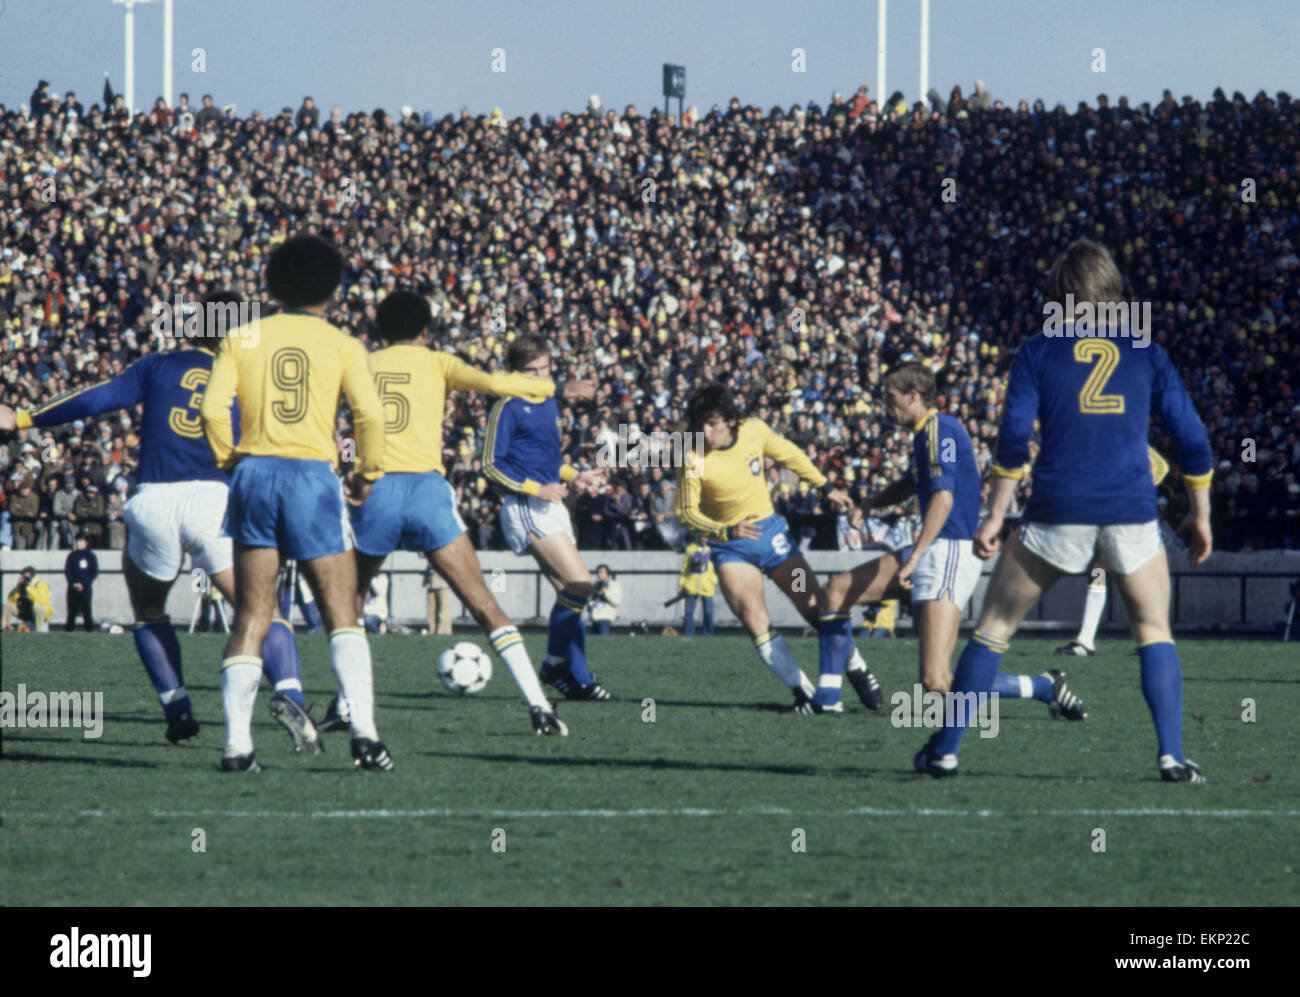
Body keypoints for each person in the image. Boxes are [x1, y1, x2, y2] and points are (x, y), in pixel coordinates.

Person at [914, 239, 1214, 782]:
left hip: (1058, 506)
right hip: (1130, 506)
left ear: (1059, 293)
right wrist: (1202, 512)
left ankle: (946, 748)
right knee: (1153, 629)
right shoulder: (1145, 348)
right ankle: (1170, 753)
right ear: (1113, 291)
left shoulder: (1037, 351)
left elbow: (1012, 440)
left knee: (995, 626)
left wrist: (995, 514)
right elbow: (1191, 437)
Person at [0, 291, 310, 746]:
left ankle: (177, 706)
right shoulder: (253, 373)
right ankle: (290, 692)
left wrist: (22, 416)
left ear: (195, 326)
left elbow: (97, 398)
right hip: (216, 499)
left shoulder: (158, 365)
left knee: (148, 610)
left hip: (153, 502)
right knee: (261, 608)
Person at [338, 291, 590, 736]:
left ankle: (349, 710)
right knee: (484, 605)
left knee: (349, 606)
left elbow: (337, 425)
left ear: (381, 330)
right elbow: (497, 385)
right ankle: (539, 707)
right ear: (425, 330)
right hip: (427, 492)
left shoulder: (360, 362)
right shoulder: (439, 362)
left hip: (375, 489)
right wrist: (556, 388)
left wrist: (346, 470)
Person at [201, 236, 390, 771]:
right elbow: (370, 418)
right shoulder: (344, 343)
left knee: (253, 614)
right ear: (333, 289)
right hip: (311, 474)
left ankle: (238, 748)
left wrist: (229, 460)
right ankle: (365, 736)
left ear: (271, 284)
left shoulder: (240, 336)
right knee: (341, 610)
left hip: (254, 472)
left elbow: (215, 410)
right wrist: (367, 474)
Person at [824, 363, 1084, 718]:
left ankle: (1043, 687)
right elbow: (910, 483)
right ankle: (830, 696)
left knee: (936, 682)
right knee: (838, 590)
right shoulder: (925, 433)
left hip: (946, 553)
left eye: (891, 397)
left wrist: (914, 558)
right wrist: (869, 504)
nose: (886, 405)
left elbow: (942, 499)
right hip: (933, 550)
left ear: (913, 396)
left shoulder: (941, 431)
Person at [674, 383, 883, 713]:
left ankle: (855, 664)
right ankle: (805, 694)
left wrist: (825, 487)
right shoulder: (693, 456)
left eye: (712, 422)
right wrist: (725, 530)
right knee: (754, 619)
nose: (705, 431)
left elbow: (791, 455)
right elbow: (684, 512)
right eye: (700, 423)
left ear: (730, 419)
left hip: (774, 543)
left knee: (815, 607)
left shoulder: (754, 430)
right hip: (731, 550)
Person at [483, 333, 613, 700]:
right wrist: (534, 489)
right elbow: (490, 465)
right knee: (581, 585)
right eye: (530, 371)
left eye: (545, 369)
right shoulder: (506, 406)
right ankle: (555, 664)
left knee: (571, 595)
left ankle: (580, 679)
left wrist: (577, 475)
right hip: (527, 507)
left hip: (552, 505)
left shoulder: (549, 402)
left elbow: (551, 462)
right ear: (514, 373)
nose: (539, 376)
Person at [1057, 447, 1170, 656]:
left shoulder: (1129, 440)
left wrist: (1136, 489)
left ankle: (1087, 640)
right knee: (1120, 573)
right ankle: (1149, 641)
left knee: (1104, 569)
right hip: (1118, 513)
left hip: (1125, 515)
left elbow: (1161, 467)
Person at [677, 537, 717, 635]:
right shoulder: (690, 548)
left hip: (707, 586)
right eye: (701, 536)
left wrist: (713, 580)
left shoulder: (713, 549)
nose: (704, 539)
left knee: (708, 612)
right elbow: (685, 567)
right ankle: (688, 633)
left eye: (706, 537)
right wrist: (681, 583)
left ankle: (708, 634)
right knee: (689, 612)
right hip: (691, 585)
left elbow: (718, 566)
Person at [64, 532, 98, 631]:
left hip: (86, 589)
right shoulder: (72, 556)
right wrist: (74, 583)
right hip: (73, 589)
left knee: (87, 612)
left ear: (86, 542)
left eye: (81, 541)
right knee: (71, 613)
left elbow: (93, 572)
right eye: (77, 541)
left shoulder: (91, 556)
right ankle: (69, 633)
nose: (78, 543)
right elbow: (68, 571)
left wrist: (84, 584)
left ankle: (89, 632)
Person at [3, 566, 52, 632]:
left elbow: (40, 600)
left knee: (38, 607)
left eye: (27, 577)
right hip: (24, 610)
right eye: (24, 577)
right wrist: (18, 587)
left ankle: (39, 632)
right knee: (8, 605)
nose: (25, 579)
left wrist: (29, 587)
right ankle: (6, 628)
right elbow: (11, 599)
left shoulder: (41, 584)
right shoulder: (21, 586)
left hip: (37, 611)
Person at [587, 564, 621, 635]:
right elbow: (590, 600)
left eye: (602, 572)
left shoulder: (614, 585)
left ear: (607, 574)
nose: (599, 574)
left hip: (605, 618)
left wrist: (605, 593)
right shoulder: (596, 585)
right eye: (598, 572)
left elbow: (616, 601)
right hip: (594, 618)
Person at [425, 563, 453, 635]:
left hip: (443, 580)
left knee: (444, 608)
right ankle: (432, 630)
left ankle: (443, 631)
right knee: (430, 609)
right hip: (431, 579)